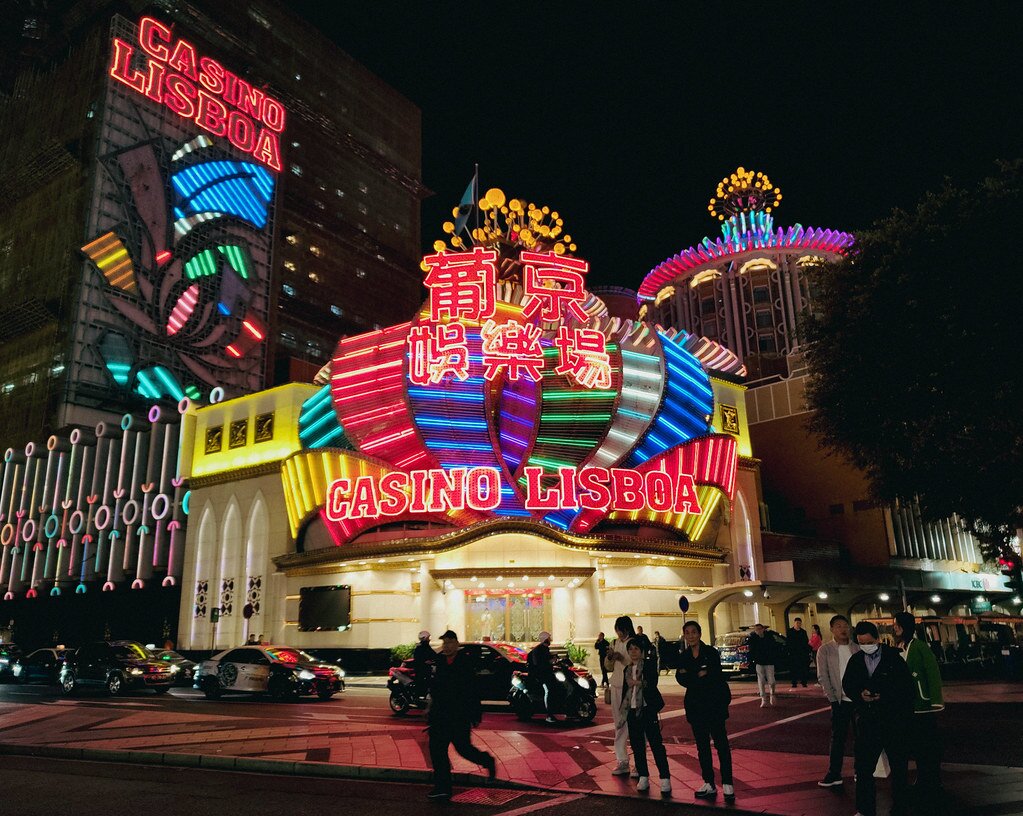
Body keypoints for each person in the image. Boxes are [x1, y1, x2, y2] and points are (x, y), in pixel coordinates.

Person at [843, 620, 914, 816]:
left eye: (868, 642)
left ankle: (900, 806)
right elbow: (848, 684)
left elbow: (906, 690)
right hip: (868, 721)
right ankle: (865, 809)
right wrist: (860, 695)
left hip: (893, 721)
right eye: (861, 642)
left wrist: (885, 695)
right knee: (864, 768)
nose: (865, 646)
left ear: (878, 639)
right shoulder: (856, 660)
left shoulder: (894, 659)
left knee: (899, 767)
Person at [426, 630, 496, 800]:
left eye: (450, 642)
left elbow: (472, 690)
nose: (447, 646)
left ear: (456, 644)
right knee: (437, 750)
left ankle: (487, 761)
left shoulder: (464, 663)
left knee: (463, 749)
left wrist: (474, 713)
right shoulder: (440, 662)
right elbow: (435, 688)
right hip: (441, 716)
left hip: (459, 716)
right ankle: (443, 788)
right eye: (444, 643)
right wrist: (430, 710)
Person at [676, 621, 734, 802]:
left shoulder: (711, 652)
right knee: (702, 747)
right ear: (684, 635)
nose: (691, 635)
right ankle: (708, 782)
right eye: (687, 633)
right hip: (695, 707)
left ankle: (727, 783)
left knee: (721, 744)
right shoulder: (684, 655)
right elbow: (681, 677)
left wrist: (693, 674)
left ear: (700, 634)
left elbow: (714, 674)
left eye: (694, 632)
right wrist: (699, 673)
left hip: (714, 705)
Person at [893, 610, 944, 808]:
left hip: (922, 706)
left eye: (897, 624)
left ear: (904, 626)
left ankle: (932, 781)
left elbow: (932, 672)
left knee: (927, 747)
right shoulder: (900, 647)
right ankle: (923, 779)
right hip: (908, 707)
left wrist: (935, 701)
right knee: (917, 746)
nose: (894, 628)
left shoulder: (920, 646)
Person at [622, 636, 671, 797]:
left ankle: (665, 778)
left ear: (642, 651)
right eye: (630, 649)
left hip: (647, 709)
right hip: (632, 711)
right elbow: (625, 692)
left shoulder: (649, 666)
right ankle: (643, 776)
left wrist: (637, 683)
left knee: (656, 744)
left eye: (636, 649)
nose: (633, 652)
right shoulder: (626, 669)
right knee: (637, 746)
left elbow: (652, 683)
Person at [815, 614, 860, 787]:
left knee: (861, 738)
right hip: (839, 700)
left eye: (846, 626)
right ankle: (834, 773)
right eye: (839, 626)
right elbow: (822, 675)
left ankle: (860, 770)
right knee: (838, 738)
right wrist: (832, 698)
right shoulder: (825, 650)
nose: (843, 629)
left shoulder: (856, 648)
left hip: (857, 700)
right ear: (832, 629)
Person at [604, 615, 636, 776]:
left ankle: (639, 761)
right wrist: (610, 657)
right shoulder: (614, 643)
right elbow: (608, 666)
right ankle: (622, 760)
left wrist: (621, 658)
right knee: (619, 723)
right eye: (617, 630)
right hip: (616, 685)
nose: (619, 633)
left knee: (635, 723)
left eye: (620, 630)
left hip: (630, 687)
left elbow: (635, 663)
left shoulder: (634, 643)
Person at [528, 631, 558, 723]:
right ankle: (549, 715)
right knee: (548, 690)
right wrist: (549, 662)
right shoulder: (537, 650)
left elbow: (549, 659)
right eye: (548, 638)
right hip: (540, 675)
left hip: (547, 673)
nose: (550, 640)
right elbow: (538, 664)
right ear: (545, 639)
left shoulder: (546, 649)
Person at [747, 623, 778, 706]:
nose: (758, 631)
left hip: (769, 661)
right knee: (761, 680)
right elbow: (751, 650)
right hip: (759, 662)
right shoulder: (753, 639)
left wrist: (774, 657)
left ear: (763, 629)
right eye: (756, 630)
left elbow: (774, 647)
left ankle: (772, 694)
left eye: (759, 629)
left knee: (771, 681)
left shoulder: (769, 637)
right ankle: (763, 698)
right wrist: (751, 661)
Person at [787, 617, 811, 688]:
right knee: (793, 668)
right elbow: (788, 642)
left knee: (803, 668)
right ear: (794, 623)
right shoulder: (790, 631)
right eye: (797, 623)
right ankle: (794, 682)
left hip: (802, 653)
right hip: (793, 653)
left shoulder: (803, 632)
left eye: (799, 623)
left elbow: (806, 642)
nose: (798, 624)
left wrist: (806, 651)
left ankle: (804, 682)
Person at [412, 630, 436, 697]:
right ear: (424, 638)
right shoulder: (419, 648)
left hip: (427, 669)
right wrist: (425, 662)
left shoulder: (427, 647)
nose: (429, 639)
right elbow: (417, 660)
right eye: (428, 638)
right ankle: (419, 695)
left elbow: (434, 654)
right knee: (424, 680)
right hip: (421, 670)